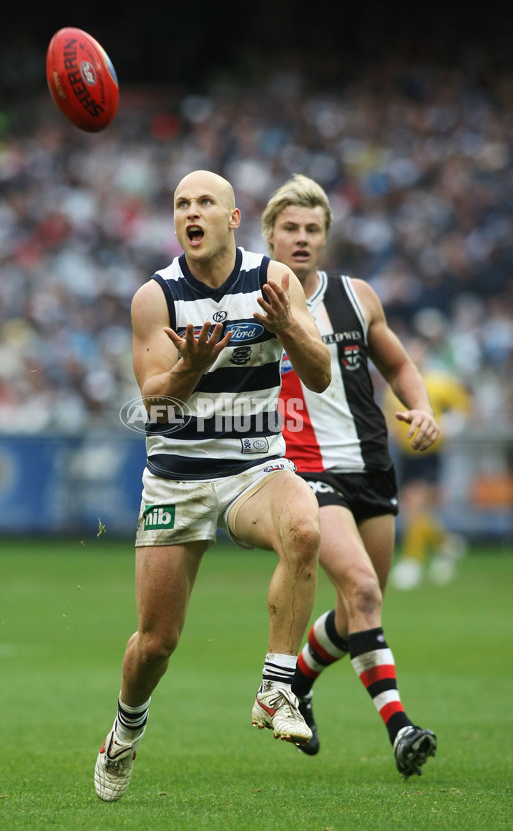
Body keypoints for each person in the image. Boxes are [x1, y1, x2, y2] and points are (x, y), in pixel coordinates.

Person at [94, 169, 332, 802]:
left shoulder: (274, 281)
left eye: (205, 202)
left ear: (232, 219)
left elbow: (321, 376)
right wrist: (189, 368)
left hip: (255, 468)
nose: (191, 212)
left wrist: (290, 329)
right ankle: (125, 730)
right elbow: (154, 405)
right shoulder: (156, 297)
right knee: (156, 643)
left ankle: (277, 685)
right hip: (178, 479)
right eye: (180, 204)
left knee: (306, 526)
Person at [261, 173, 438, 779]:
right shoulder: (253, 302)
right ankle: (400, 728)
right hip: (304, 470)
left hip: (372, 466)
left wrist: (422, 407)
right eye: (291, 229)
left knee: (357, 610)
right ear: (270, 235)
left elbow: (399, 364)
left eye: (313, 229)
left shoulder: (357, 296)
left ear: (327, 235)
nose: (302, 238)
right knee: (362, 591)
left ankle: (300, 684)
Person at [386, 332, 471, 590]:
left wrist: (446, 427)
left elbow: (464, 408)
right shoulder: (395, 387)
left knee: (414, 506)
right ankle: (446, 543)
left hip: (432, 452)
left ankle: (412, 561)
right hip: (407, 453)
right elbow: (390, 418)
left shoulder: (439, 382)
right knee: (420, 509)